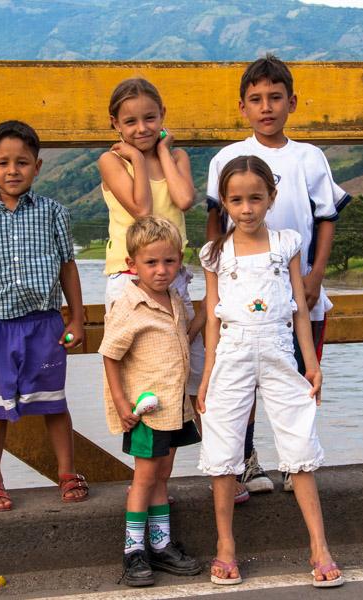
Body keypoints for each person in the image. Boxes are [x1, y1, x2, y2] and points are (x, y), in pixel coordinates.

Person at [98, 78, 249, 504]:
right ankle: (145, 476)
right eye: (130, 122)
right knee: (146, 372)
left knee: (190, 366)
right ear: (115, 124)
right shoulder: (112, 162)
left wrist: (162, 151)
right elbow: (142, 208)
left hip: (173, 272)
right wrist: (134, 157)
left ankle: (219, 469)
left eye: (150, 118)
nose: (141, 128)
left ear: (163, 117)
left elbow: (183, 199)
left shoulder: (175, 155)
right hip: (129, 277)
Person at [205, 54, 350, 494]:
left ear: (293, 102)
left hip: (298, 290)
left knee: (301, 375)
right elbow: (215, 222)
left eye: (275, 97)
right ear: (242, 107)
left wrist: (315, 276)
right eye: (256, 99)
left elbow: (326, 217)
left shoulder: (309, 157)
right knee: (239, 380)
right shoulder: (227, 157)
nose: (266, 107)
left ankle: (296, 460)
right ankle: (246, 460)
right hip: (242, 294)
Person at [197, 156, 343, 588]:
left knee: (299, 443)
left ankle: (319, 546)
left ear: (271, 198)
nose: (247, 209)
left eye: (256, 198)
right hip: (232, 354)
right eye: (237, 200)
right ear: (224, 202)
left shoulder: (287, 243)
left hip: (281, 351)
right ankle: (226, 547)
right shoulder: (214, 253)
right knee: (223, 449)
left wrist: (310, 363)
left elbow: (300, 308)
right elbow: (211, 317)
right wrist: (206, 375)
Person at [0, 120, 89, 511]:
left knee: (53, 402)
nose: (13, 171)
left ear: (38, 167)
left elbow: (67, 268)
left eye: (22, 162)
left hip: (44, 324)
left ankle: (68, 473)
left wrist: (76, 320)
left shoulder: (53, 213)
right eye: (4, 163)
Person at [99, 216, 203, 587]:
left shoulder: (174, 297)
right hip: (147, 411)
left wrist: (207, 312)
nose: (161, 271)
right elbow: (110, 354)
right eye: (151, 263)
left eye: (169, 262)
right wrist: (121, 403)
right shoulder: (130, 304)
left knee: (163, 475)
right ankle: (133, 551)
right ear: (132, 265)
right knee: (143, 479)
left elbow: (184, 336)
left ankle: (160, 544)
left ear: (179, 261)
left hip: (174, 408)